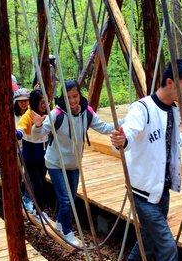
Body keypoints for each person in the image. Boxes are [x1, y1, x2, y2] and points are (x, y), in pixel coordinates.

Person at [110, 59, 182, 261]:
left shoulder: (173, 110)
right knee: (167, 245)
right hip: (142, 192)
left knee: (149, 240)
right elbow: (129, 133)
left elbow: (173, 137)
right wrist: (121, 140)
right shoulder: (142, 108)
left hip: (162, 190)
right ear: (170, 82)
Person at [32, 80, 118, 247]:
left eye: (75, 96)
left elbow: (106, 128)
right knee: (66, 200)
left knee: (69, 197)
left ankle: (59, 222)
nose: (72, 100)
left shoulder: (87, 113)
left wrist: (128, 121)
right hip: (55, 163)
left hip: (74, 164)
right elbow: (38, 136)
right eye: (68, 97)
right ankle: (67, 231)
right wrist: (37, 126)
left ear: (80, 95)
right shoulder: (56, 114)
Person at [16, 89, 48, 218]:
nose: (44, 104)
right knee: (37, 183)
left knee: (41, 181)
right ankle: (38, 210)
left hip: (43, 153)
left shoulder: (46, 114)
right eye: (41, 101)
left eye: (46, 101)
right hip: (30, 153)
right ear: (35, 102)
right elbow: (21, 128)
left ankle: (37, 207)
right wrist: (18, 134)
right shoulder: (28, 116)